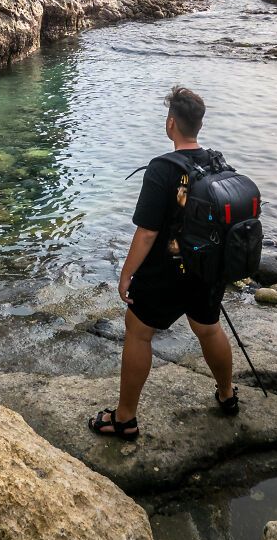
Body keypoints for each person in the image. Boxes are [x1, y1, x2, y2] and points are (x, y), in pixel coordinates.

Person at [88, 85, 239, 441]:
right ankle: (227, 393)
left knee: (138, 332)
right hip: (206, 268)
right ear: (198, 124)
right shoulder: (216, 162)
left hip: (168, 271)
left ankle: (124, 419)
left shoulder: (162, 168)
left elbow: (146, 233)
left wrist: (126, 275)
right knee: (208, 327)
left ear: (171, 123)